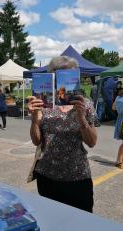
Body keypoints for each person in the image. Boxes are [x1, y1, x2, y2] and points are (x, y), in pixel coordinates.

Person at [28, 56, 98, 213]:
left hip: (77, 177)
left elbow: (92, 142)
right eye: (62, 77)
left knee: (82, 223)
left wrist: (81, 118)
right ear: (53, 78)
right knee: (51, 222)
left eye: (72, 77)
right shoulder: (43, 103)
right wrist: (34, 120)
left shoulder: (85, 104)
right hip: (47, 176)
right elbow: (36, 141)